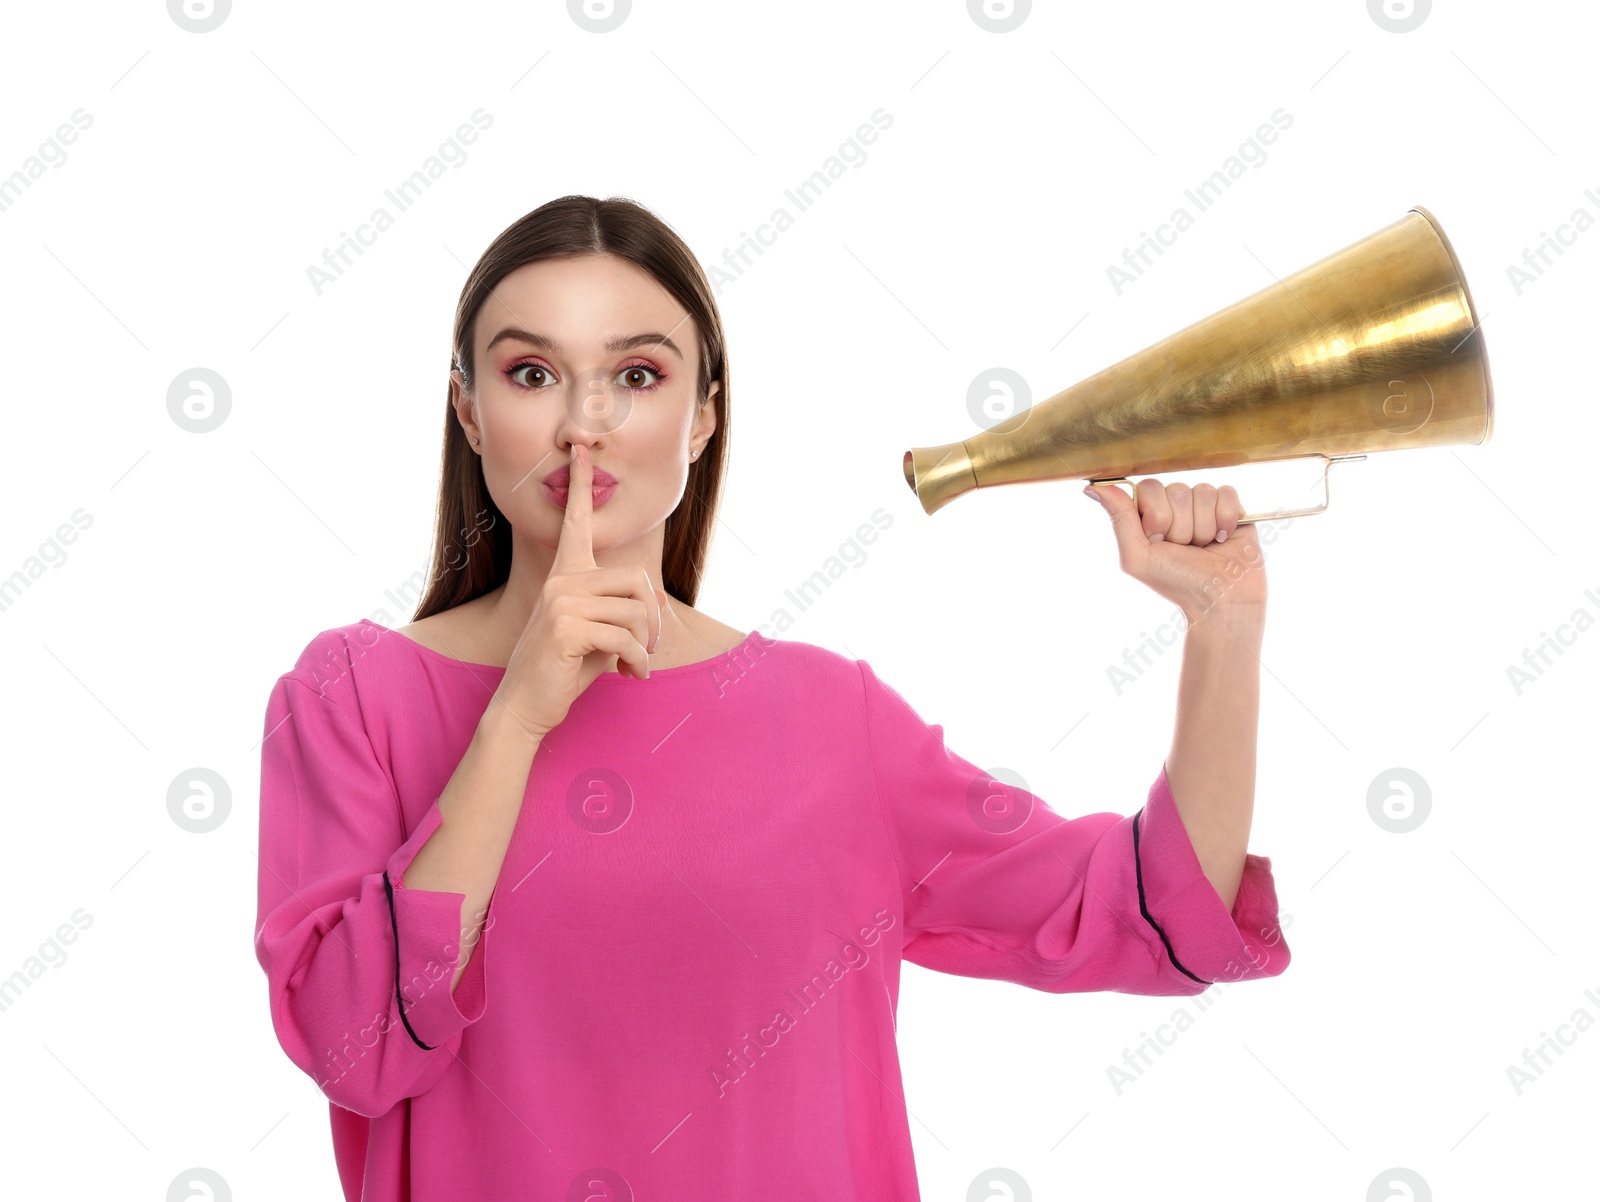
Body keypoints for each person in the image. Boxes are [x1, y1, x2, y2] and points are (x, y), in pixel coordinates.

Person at [253, 194, 1290, 1202]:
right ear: (468, 409)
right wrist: (516, 717)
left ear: (703, 416)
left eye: (638, 373)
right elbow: (356, 1048)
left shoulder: (829, 719)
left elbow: (1155, 917)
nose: (585, 422)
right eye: (532, 372)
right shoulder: (351, 696)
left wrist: (1223, 626)